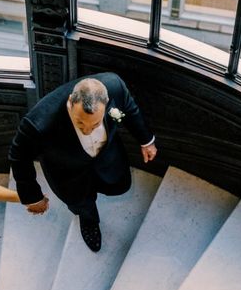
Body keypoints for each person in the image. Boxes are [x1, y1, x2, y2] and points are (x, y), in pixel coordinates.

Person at [8, 73, 157, 252]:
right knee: (82, 205)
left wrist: (146, 140)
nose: (87, 130)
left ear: (107, 101)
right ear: (70, 102)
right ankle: (89, 222)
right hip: (67, 174)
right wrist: (32, 196)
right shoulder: (37, 123)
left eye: (94, 125)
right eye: (80, 122)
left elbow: (130, 110)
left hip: (106, 158)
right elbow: (18, 156)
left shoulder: (114, 86)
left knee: (119, 185)